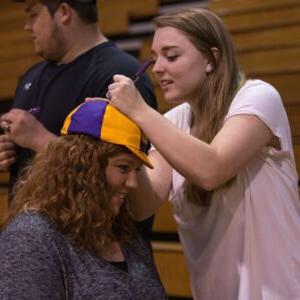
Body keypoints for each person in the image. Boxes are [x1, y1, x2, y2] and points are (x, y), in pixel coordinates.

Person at [104, 8, 300, 300]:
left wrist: (140, 111)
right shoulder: (172, 122)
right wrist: (117, 137)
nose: (157, 68)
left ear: (211, 58)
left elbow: (213, 169)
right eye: (155, 58)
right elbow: (142, 204)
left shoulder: (258, 97)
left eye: (171, 56)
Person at [0, 0, 156, 241]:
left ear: (64, 13)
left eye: (33, 15)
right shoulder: (32, 75)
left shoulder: (119, 75)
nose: (27, 26)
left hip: (92, 248)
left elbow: (123, 172)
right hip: (31, 241)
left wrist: (39, 139)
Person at [0, 100, 167, 299]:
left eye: (136, 170)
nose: (133, 184)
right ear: (83, 166)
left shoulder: (126, 236)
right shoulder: (31, 237)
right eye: (123, 167)